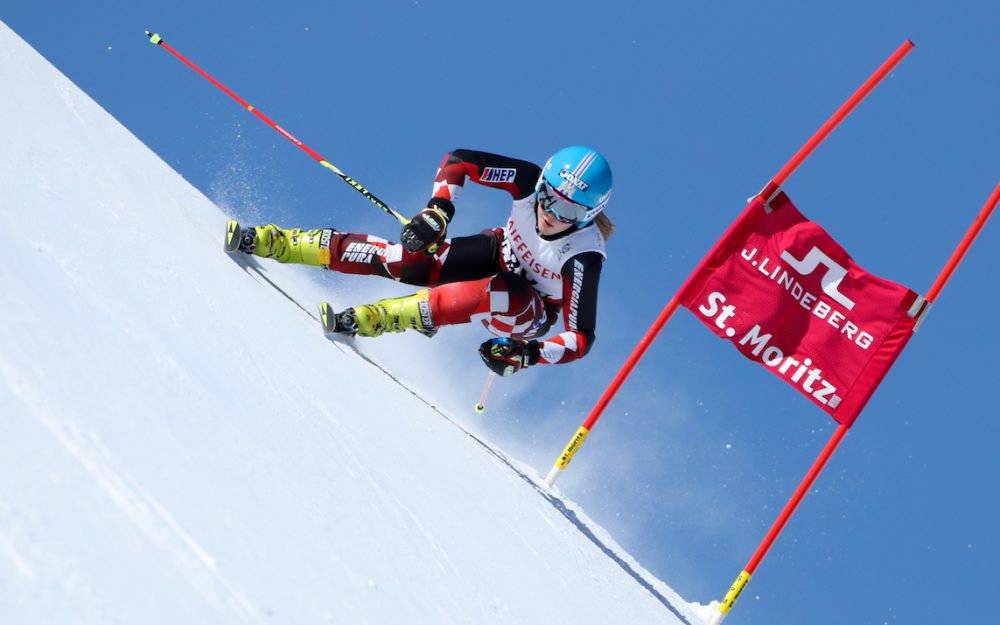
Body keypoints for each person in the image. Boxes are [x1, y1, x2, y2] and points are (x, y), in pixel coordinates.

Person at [229, 146, 614, 377]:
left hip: (530, 310)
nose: (549, 212)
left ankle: (388, 317)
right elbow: (461, 161)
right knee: (410, 261)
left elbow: (580, 339)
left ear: (588, 214)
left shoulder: (583, 255)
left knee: (503, 292)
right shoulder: (529, 182)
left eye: (567, 209)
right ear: (543, 180)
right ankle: (277, 242)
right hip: (499, 251)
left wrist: (530, 354)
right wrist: (439, 212)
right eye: (548, 196)